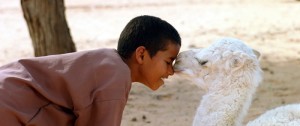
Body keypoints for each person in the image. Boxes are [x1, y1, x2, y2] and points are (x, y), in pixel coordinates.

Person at [0, 15, 181, 126]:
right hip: (9, 108)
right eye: (168, 61)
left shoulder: (107, 62)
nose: (171, 72)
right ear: (141, 54)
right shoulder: (116, 79)